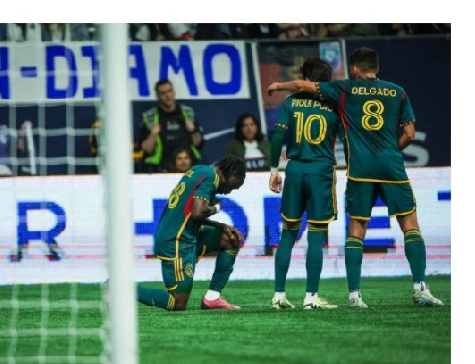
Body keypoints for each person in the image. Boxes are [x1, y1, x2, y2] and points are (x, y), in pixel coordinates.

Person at [267, 47, 444, 308]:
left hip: (345, 170)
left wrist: (279, 85)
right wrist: (390, 152)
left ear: (355, 69)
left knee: (351, 230)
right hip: (382, 168)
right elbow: (409, 135)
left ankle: (352, 295)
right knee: (409, 225)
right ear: (377, 67)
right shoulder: (397, 91)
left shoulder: (342, 91)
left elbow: (297, 97)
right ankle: (419, 288)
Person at [267, 58, 341, 310]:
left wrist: (274, 170)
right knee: (316, 235)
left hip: (295, 169)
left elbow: (278, 136)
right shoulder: (335, 105)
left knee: (288, 232)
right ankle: (311, 297)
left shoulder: (290, 103)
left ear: (305, 78)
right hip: (321, 170)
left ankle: (279, 295)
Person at [137, 155, 247, 311]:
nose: (229, 191)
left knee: (231, 239)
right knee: (178, 303)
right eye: (233, 185)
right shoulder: (212, 178)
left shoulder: (199, 169)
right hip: (175, 241)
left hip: (187, 233)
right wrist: (217, 208)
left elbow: (190, 213)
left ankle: (212, 298)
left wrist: (221, 226)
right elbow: (198, 212)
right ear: (230, 173)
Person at [137, 79, 204, 173]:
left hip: (188, 170)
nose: (167, 96)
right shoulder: (150, 118)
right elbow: (146, 150)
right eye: (163, 93)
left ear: (174, 92)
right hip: (160, 171)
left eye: (169, 91)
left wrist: (193, 130)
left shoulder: (188, 113)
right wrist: (153, 134)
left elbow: (198, 144)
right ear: (157, 96)